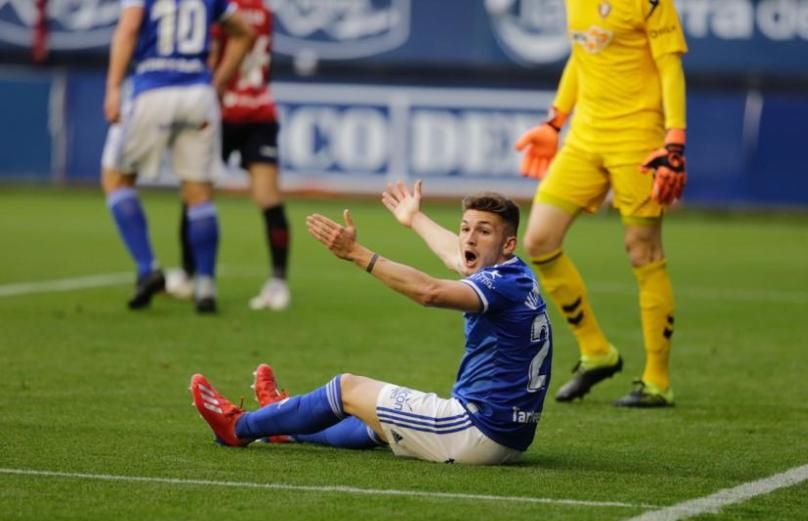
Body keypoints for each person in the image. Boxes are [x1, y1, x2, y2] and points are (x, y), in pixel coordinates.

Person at [190, 182, 553, 465]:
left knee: (348, 388)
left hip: (474, 431)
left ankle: (238, 427)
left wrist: (356, 254)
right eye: (465, 228)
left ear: (507, 243)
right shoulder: (514, 273)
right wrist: (414, 218)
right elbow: (455, 254)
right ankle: (284, 422)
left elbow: (429, 292)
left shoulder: (498, 284)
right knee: (375, 420)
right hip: (507, 437)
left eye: (483, 231)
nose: (469, 238)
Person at [514, 0, 688, 407]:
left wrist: (673, 141)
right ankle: (597, 352)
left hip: (637, 137)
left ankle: (657, 381)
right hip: (585, 137)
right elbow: (582, 55)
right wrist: (555, 119)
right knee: (539, 241)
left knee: (642, 251)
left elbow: (669, 67)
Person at [101, 0, 252, 313]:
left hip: (152, 89)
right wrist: (220, 82)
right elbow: (244, 32)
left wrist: (114, 86)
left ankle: (147, 269)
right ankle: (206, 285)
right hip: (198, 95)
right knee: (199, 195)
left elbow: (129, 28)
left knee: (116, 178)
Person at [167, 0, 292, 310]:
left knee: (196, 194)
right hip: (260, 108)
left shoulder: (220, 8)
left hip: (220, 111)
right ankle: (278, 282)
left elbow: (210, 54)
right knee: (268, 198)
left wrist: (212, 88)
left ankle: (188, 275)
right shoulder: (263, 9)